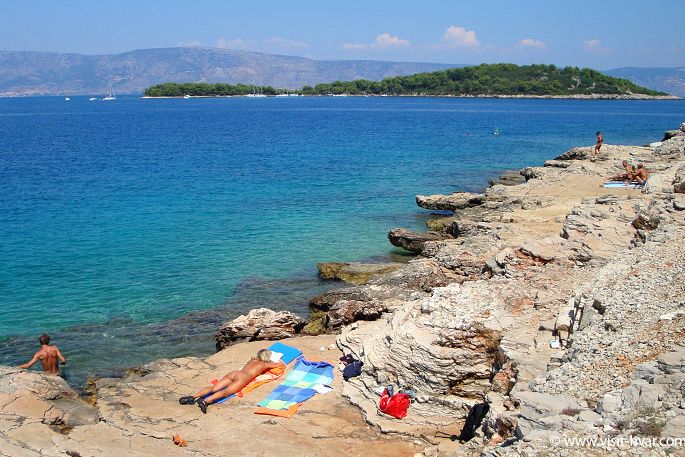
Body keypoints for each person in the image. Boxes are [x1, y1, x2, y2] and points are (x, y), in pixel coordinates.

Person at [179, 349, 284, 413]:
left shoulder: (252, 360)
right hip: (243, 378)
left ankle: (192, 397)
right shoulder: (265, 364)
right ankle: (205, 401)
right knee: (225, 392)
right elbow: (280, 363)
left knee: (214, 388)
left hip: (234, 373)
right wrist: (274, 358)